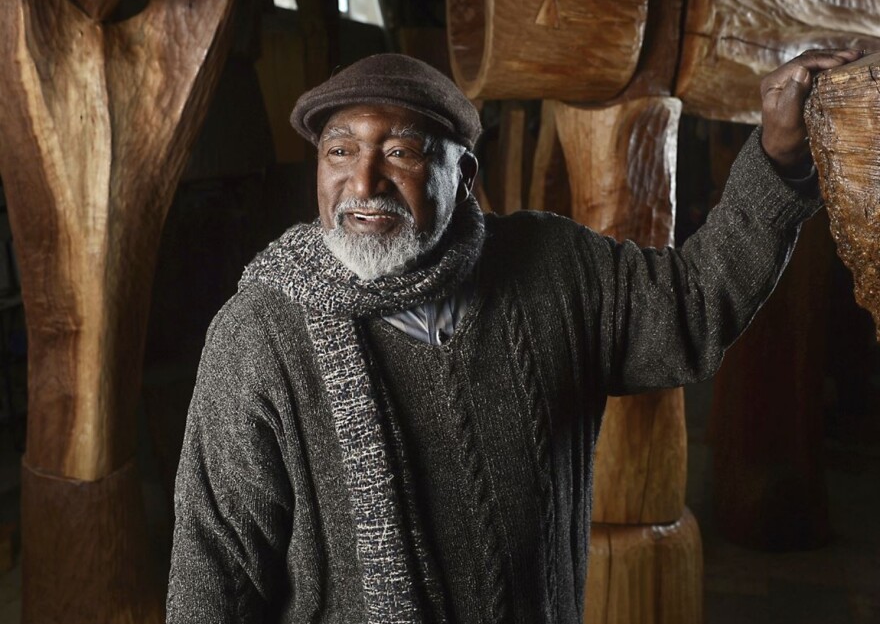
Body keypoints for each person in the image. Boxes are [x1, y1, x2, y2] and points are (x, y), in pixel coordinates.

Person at [167, 49, 861, 623]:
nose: (363, 181)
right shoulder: (260, 334)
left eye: (400, 150)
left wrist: (777, 157)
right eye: (340, 150)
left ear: (463, 175)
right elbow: (215, 574)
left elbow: (694, 305)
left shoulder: (553, 269)